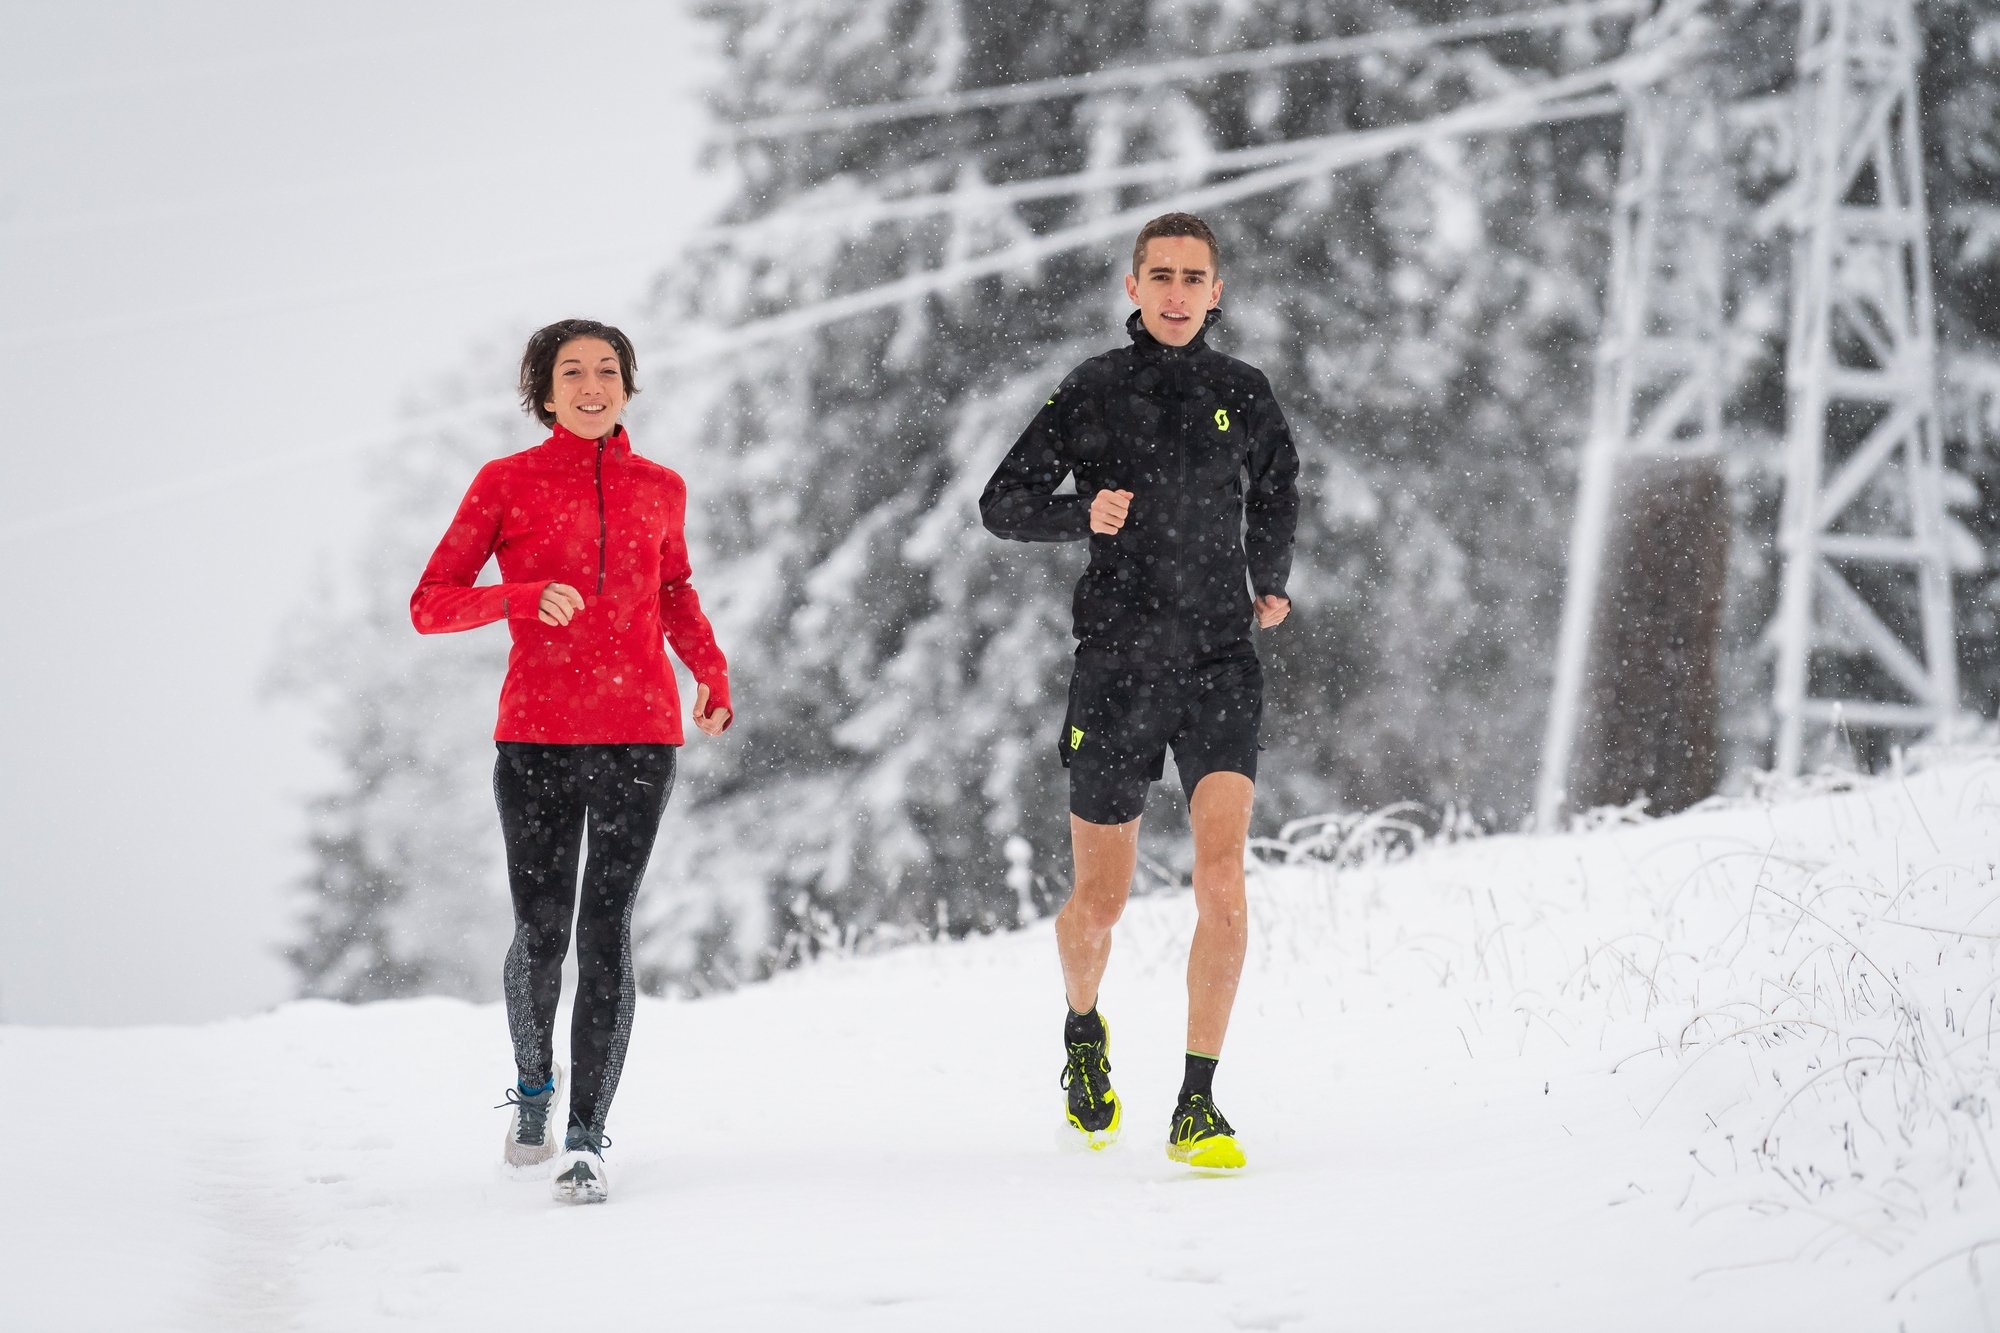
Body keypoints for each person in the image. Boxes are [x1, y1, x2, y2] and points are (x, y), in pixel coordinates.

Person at [980, 213, 1299, 1170]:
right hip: (1116, 664)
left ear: (1217, 292)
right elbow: (1002, 503)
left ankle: (1197, 1102)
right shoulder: (1093, 389)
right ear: (1132, 286)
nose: (1175, 291)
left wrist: (1270, 578)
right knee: (1101, 900)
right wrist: (1084, 510)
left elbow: (1280, 483)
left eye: (1193, 277)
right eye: (1159, 274)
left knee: (1224, 881)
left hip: (1217, 664)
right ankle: (1083, 1029)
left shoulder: (1243, 393)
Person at [411, 318, 731, 1204]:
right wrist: (518, 596)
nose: (592, 386)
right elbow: (430, 604)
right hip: (538, 740)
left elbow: (675, 592)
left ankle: (587, 1137)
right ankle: (534, 1088)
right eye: (572, 373)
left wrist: (710, 673)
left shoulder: (660, 487)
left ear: (628, 386)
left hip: (639, 738)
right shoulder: (505, 484)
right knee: (543, 930)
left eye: (608, 371)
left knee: (607, 931)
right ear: (544, 393)